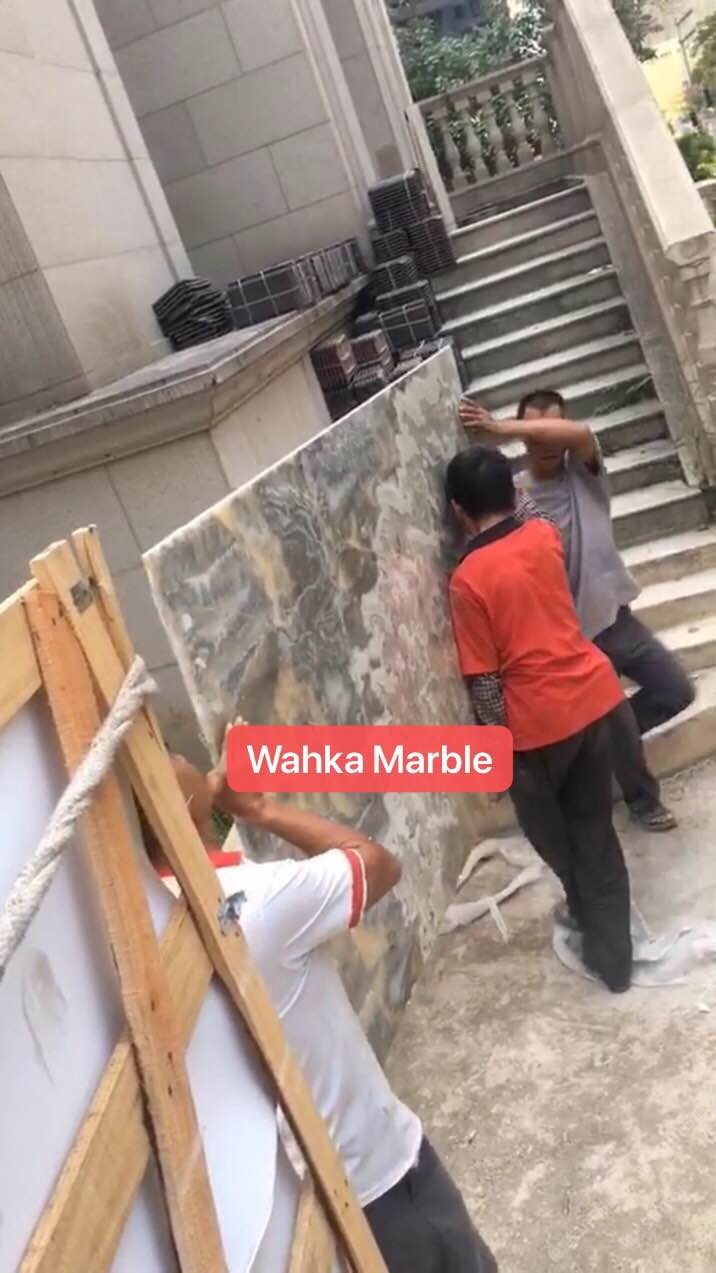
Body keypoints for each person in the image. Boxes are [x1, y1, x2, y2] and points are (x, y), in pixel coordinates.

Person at [157, 748, 498, 1273]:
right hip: (377, 1179)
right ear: (166, 802)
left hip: (291, 1215)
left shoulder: (147, 930)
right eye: (166, 753)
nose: (179, 752)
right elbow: (377, 864)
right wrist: (257, 809)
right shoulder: (254, 903)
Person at [459, 390, 695, 832]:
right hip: (569, 641)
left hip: (614, 620)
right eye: (535, 433)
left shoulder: (585, 475)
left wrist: (498, 429)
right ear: (525, 438)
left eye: (551, 430)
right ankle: (643, 801)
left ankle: (602, 746)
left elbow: (581, 433)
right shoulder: (511, 498)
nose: (546, 443)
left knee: (675, 689)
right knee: (618, 722)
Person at [445, 444, 633, 994]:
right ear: (511, 492)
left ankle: (601, 941)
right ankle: (614, 956)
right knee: (594, 831)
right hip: (591, 697)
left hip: (535, 726)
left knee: (555, 839)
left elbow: (484, 681)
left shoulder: (467, 580)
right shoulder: (544, 535)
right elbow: (527, 508)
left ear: (458, 510)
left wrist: (497, 756)